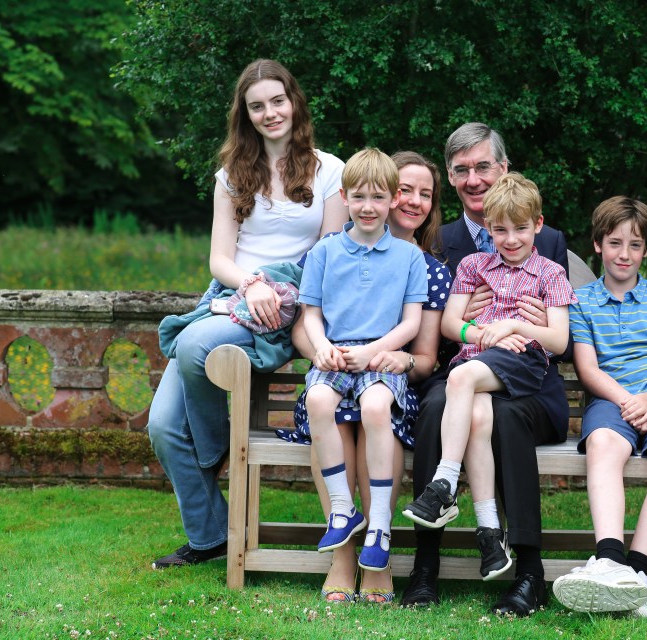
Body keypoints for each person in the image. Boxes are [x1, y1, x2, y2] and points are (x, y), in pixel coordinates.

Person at [148, 59, 348, 569]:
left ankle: (212, 452)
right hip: (234, 291)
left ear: (294, 101)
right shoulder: (231, 175)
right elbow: (220, 258)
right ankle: (211, 534)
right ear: (245, 113)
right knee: (163, 426)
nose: (269, 112)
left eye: (277, 100)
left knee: (192, 344)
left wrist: (273, 289)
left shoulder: (331, 171)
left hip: (289, 302)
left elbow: (325, 256)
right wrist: (252, 282)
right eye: (256, 105)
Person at [401, 122, 570, 617]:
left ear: (503, 169)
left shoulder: (551, 244)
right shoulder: (442, 240)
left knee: (508, 416)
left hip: (528, 378)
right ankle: (425, 567)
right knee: (436, 406)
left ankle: (529, 573)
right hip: (465, 365)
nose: (474, 179)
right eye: (462, 170)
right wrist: (473, 324)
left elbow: (558, 332)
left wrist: (519, 321)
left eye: (483, 167)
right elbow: (444, 321)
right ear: (451, 179)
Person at [287, 151, 452, 603]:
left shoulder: (413, 261)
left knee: (376, 407)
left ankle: (379, 526)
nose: (367, 206)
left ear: (390, 199)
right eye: (357, 197)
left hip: (380, 367)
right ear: (344, 197)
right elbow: (310, 314)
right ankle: (343, 517)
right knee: (324, 406)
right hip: (335, 360)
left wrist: (376, 353)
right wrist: (322, 348)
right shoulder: (324, 251)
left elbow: (414, 335)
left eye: (378, 197)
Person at [552, 197, 647, 618]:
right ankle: (609, 559)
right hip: (610, 400)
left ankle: (635, 574)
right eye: (615, 243)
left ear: (646, 251)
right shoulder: (580, 301)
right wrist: (628, 401)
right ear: (598, 244)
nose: (624, 254)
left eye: (635, 245)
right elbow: (587, 369)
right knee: (603, 445)